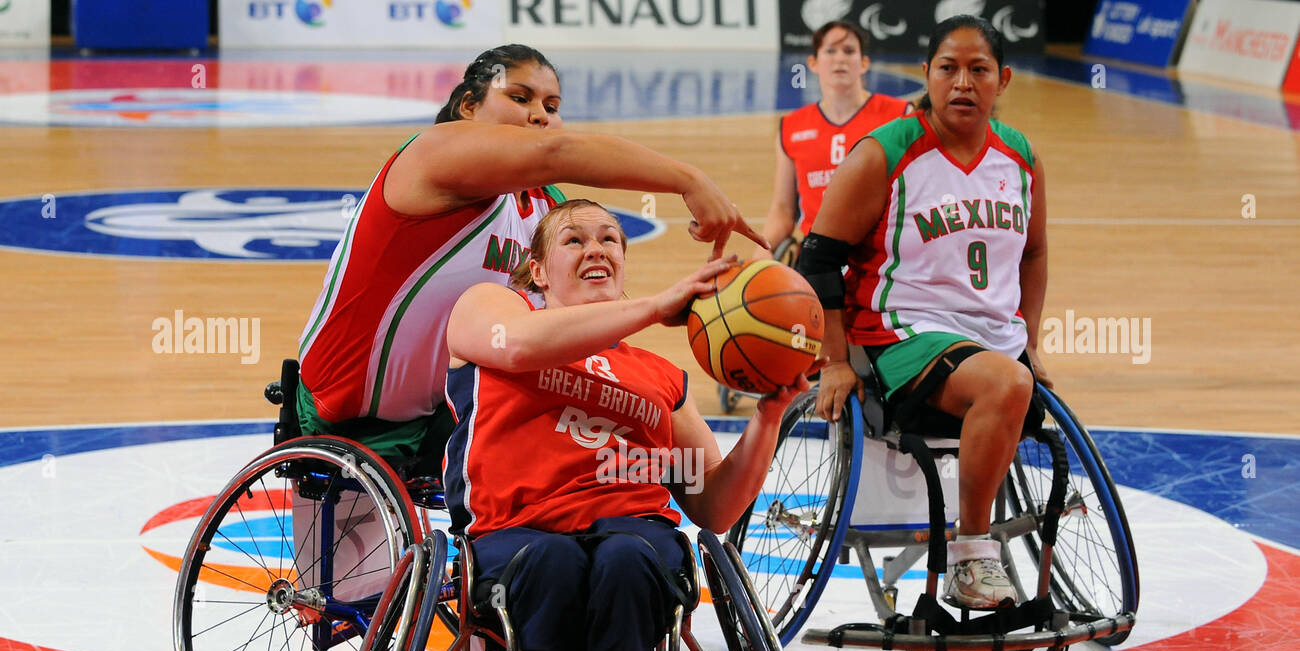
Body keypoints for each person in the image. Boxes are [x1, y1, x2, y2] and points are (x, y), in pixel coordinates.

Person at [443, 199, 817, 651]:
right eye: (574, 239)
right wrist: (655, 305)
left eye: (611, 238)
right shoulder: (490, 310)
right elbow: (526, 343)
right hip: (518, 535)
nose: (597, 248)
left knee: (624, 556)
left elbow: (716, 504)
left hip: (633, 535)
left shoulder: (658, 374)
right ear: (536, 270)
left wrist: (768, 417)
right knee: (557, 559)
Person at [295, 44, 764, 473]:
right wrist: (690, 180)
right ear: (469, 107)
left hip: (449, 415)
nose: (540, 115)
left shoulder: (547, 205)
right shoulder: (433, 156)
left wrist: (688, 307)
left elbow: (572, 311)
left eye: (552, 107)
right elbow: (556, 152)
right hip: (347, 416)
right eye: (520, 98)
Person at [796, 15, 1051, 610]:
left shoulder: (1020, 156)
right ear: (926, 74)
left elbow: (1035, 252)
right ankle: (970, 555)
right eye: (948, 68)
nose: (963, 82)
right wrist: (835, 363)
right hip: (900, 336)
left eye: (978, 69)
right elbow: (818, 259)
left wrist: (1031, 338)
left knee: (1011, 373)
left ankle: (981, 544)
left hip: (991, 340)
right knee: (1006, 383)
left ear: (1003, 79)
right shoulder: (884, 152)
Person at [756, 20, 912, 263]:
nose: (840, 58)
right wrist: (759, 257)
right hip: (818, 255)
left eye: (849, 51)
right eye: (830, 51)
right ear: (814, 63)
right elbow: (783, 211)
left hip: (882, 252)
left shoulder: (900, 115)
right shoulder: (792, 126)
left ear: (864, 64)